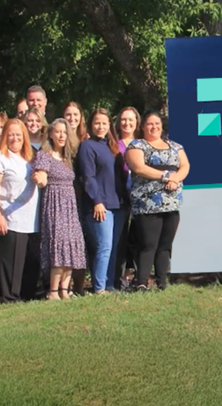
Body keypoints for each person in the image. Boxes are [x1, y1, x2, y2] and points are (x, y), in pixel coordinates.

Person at [125, 111, 189, 290]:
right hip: (147, 204)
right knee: (148, 245)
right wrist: (166, 176)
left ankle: (162, 281)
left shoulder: (175, 146)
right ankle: (141, 282)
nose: (154, 127)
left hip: (171, 203)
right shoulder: (137, 145)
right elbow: (139, 168)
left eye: (157, 124)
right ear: (143, 127)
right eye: (150, 124)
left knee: (165, 245)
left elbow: (185, 166)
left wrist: (175, 179)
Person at [0, 119, 39, 303]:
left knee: (29, 263)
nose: (15, 138)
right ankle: (9, 298)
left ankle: (26, 297)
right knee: (10, 264)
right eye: (11, 134)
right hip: (9, 218)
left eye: (18, 134)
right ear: (4, 136)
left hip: (31, 220)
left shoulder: (30, 158)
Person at [33, 120, 86, 300]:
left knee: (71, 245)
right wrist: (40, 178)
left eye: (65, 132)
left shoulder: (68, 157)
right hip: (54, 204)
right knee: (58, 245)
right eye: (58, 132)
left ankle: (65, 289)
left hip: (70, 205)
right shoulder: (45, 155)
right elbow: (41, 176)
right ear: (50, 134)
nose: (62, 136)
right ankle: (53, 290)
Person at [78, 109, 127, 293]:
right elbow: (88, 177)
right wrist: (97, 201)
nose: (101, 126)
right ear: (91, 124)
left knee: (113, 247)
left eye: (104, 123)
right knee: (104, 246)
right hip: (100, 205)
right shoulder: (87, 146)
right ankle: (98, 288)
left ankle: (109, 285)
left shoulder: (112, 147)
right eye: (97, 123)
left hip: (118, 204)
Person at [114, 107, 141, 288]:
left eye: (130, 120)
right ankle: (120, 279)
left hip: (140, 198)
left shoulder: (142, 143)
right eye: (123, 119)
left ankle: (141, 277)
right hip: (120, 197)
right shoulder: (114, 144)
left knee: (140, 238)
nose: (127, 123)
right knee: (121, 240)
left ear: (136, 122)